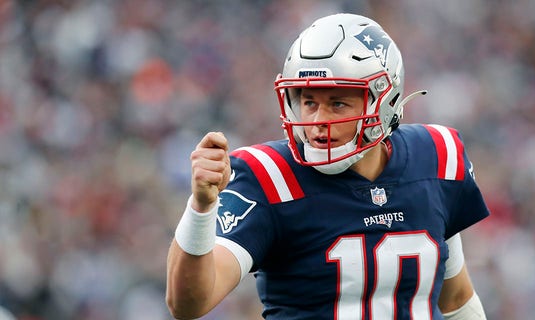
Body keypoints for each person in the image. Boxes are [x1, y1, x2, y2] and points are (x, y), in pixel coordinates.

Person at [166, 13, 490, 320]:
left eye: (337, 103)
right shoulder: (270, 177)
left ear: (385, 101)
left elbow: (456, 298)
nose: (319, 122)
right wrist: (202, 208)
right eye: (309, 102)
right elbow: (189, 303)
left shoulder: (436, 158)